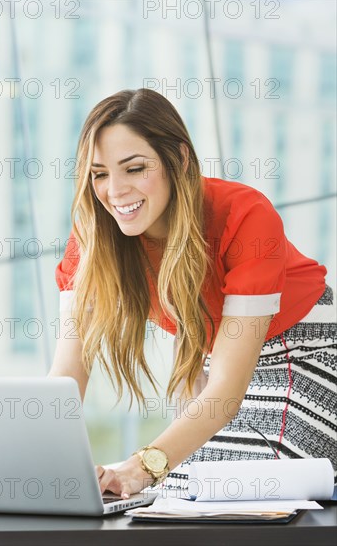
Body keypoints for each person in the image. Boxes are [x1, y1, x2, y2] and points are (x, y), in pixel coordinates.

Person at [48, 88, 336, 499]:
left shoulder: (245, 216)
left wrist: (141, 466)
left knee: (235, 491)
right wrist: (39, 464)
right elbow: (66, 375)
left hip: (303, 356)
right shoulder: (92, 240)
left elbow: (225, 391)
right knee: (174, 494)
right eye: (99, 173)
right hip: (216, 363)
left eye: (134, 168)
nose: (115, 190)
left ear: (178, 159)